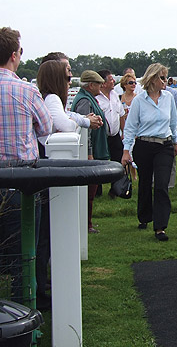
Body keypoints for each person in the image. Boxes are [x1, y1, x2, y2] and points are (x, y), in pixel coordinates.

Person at [35, 57, 103, 309]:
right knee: (45, 235)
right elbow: (63, 123)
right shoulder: (52, 98)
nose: (70, 77)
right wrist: (77, 124)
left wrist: (77, 120)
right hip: (48, 168)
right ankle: (41, 289)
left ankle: (42, 281)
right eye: (67, 74)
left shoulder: (48, 98)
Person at [0, 27, 53, 302]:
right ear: (13, 56)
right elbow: (46, 129)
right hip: (20, 185)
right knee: (24, 258)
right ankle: (22, 322)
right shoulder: (25, 90)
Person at [122, 63, 177, 241]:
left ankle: (160, 227)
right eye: (162, 77)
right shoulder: (139, 100)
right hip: (144, 145)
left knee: (161, 185)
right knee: (145, 183)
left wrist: (175, 142)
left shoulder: (168, 98)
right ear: (152, 79)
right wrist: (126, 151)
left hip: (164, 145)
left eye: (166, 77)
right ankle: (144, 216)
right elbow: (130, 127)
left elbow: (173, 123)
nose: (165, 81)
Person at [72, 70, 110, 233]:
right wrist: (89, 153)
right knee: (88, 191)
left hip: (94, 149)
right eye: (99, 83)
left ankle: (87, 223)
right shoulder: (84, 102)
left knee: (90, 191)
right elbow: (84, 129)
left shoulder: (88, 99)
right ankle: (85, 225)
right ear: (91, 85)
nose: (101, 86)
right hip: (90, 152)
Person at [96, 69, 126, 199]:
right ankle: (97, 191)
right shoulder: (95, 98)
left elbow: (121, 115)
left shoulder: (114, 95)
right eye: (110, 79)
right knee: (99, 162)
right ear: (103, 83)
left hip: (115, 136)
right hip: (101, 137)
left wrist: (123, 132)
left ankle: (115, 189)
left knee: (117, 161)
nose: (113, 81)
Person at [119, 72, 138, 180]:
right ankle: (125, 175)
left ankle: (134, 174)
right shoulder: (120, 98)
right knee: (125, 151)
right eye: (131, 83)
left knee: (133, 152)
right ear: (124, 85)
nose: (133, 85)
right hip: (123, 128)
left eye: (135, 83)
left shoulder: (138, 98)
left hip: (135, 129)